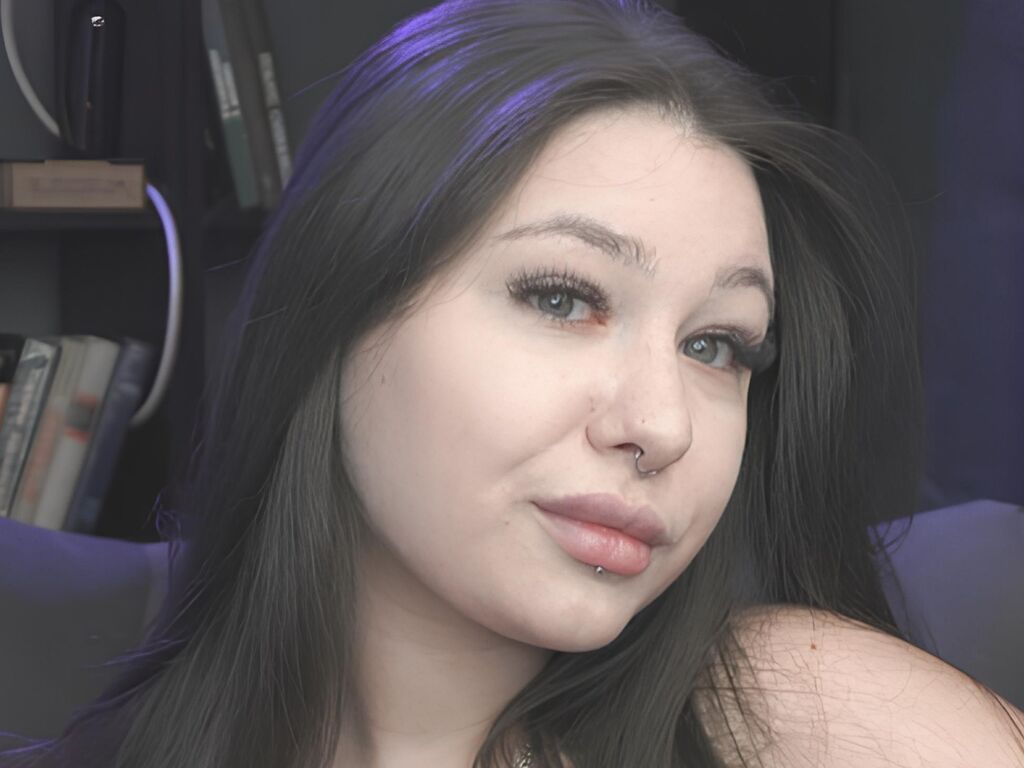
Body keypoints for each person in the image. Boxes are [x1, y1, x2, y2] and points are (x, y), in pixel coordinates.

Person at [4, 0, 1023, 766]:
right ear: (339, 306)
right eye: (562, 297)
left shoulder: (794, 713)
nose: (662, 424)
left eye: (717, 346)